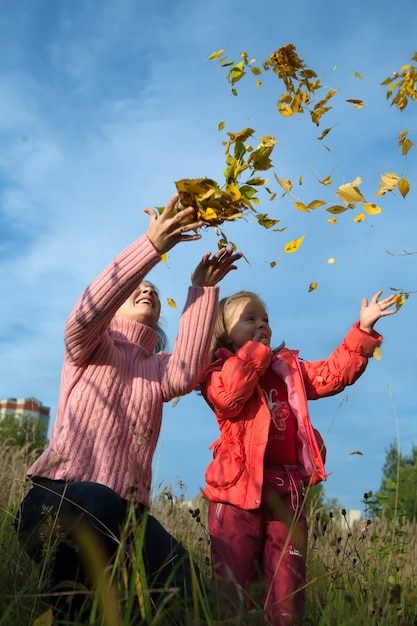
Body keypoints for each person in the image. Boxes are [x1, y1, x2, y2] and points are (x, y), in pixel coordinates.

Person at [14, 193, 242, 621]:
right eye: (138, 287)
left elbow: (188, 370)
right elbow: (86, 313)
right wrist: (151, 248)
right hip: (55, 501)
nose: (148, 291)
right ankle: (61, 610)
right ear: (117, 301)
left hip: (126, 520)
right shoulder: (88, 346)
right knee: (98, 503)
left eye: (155, 293)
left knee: (191, 588)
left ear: (159, 320)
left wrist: (203, 288)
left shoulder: (157, 369)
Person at [199, 289, 398, 625]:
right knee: (232, 584)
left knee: (287, 584)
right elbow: (230, 397)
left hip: (286, 494)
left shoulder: (288, 369)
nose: (262, 324)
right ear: (224, 333)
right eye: (250, 319)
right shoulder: (218, 371)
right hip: (237, 495)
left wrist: (362, 331)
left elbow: (333, 375)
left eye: (266, 319)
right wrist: (252, 355)